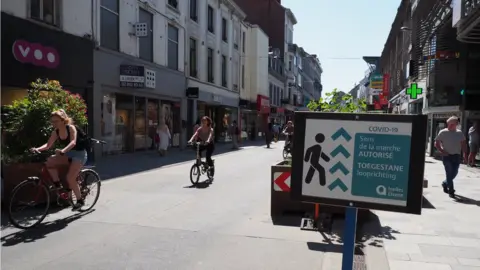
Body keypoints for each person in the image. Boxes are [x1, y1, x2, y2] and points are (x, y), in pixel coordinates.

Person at [31, 109, 88, 210]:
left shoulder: (71, 128)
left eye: (56, 121)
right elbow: (48, 145)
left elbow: (73, 142)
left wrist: (63, 151)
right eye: (52, 121)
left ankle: (79, 200)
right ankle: (58, 186)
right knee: (49, 162)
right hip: (67, 154)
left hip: (79, 154)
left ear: (63, 120)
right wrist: (37, 149)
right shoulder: (56, 131)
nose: (54, 123)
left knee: (70, 178)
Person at [434, 116, 468, 198]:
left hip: (456, 155)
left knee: (454, 172)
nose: (456, 125)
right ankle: (451, 190)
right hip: (447, 156)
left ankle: (445, 183)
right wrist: (442, 151)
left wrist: (465, 155)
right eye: (455, 123)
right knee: (449, 173)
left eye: (456, 123)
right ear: (450, 123)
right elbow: (436, 143)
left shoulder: (459, 133)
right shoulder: (443, 132)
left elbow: (463, 144)